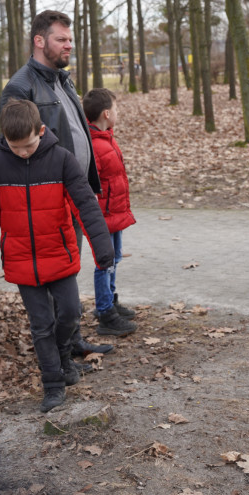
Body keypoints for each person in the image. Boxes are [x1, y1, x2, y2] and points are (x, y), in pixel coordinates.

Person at [0, 100, 116, 412]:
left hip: (60, 257)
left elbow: (86, 207)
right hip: (22, 263)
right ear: (4, 139)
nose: (22, 152)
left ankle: (64, 358)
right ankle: (52, 383)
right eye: (15, 147)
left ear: (40, 131)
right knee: (41, 325)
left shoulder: (62, 160)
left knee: (69, 313)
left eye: (28, 145)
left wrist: (103, 251)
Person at [1, 10, 112, 359]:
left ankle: (72, 340)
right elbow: (13, 150)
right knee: (50, 279)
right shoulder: (20, 88)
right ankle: (56, 356)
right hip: (47, 200)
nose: (69, 45)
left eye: (70, 39)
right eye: (61, 39)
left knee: (68, 270)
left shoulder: (62, 80)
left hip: (73, 194)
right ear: (39, 41)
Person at [82, 87, 138, 337]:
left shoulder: (106, 139)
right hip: (103, 218)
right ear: (106, 113)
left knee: (114, 260)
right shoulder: (94, 146)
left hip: (114, 215)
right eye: (116, 109)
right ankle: (104, 312)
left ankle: (110, 301)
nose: (118, 113)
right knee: (104, 264)